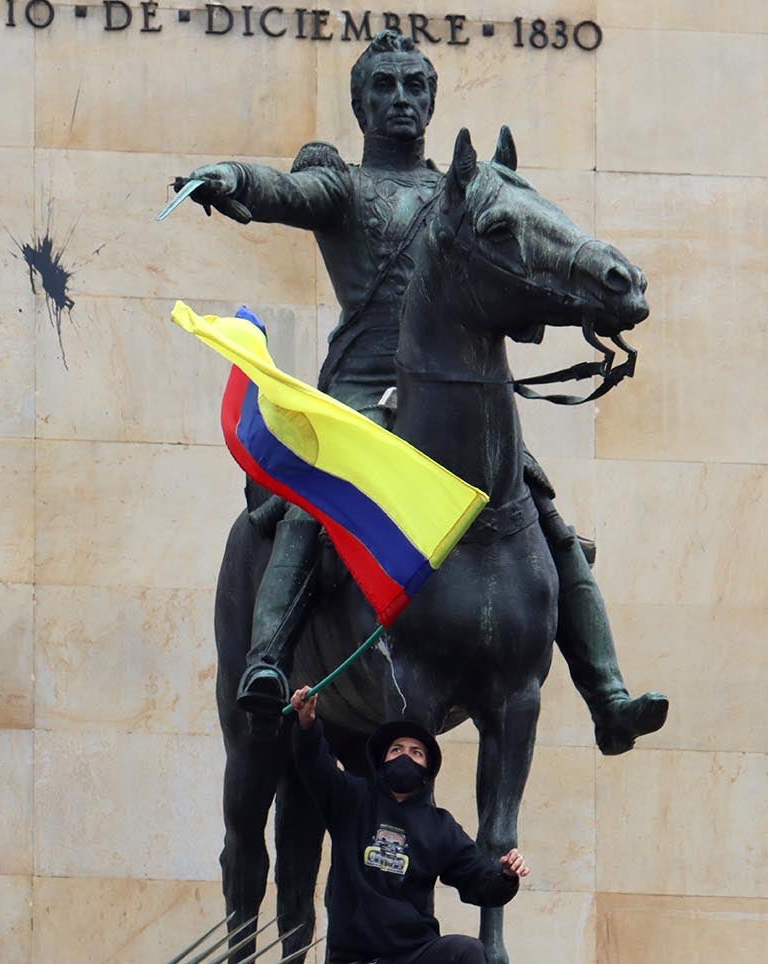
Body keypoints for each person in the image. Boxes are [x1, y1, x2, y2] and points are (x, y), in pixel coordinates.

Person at [186, 29, 666, 755]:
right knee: (310, 510)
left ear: (433, 101)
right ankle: (266, 662)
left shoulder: (465, 193)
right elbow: (285, 191)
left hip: (454, 401)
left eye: (415, 86)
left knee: (542, 518)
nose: (401, 99)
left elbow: (520, 265)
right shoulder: (343, 185)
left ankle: (606, 694)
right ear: (359, 105)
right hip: (359, 390)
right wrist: (228, 175)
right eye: (384, 87)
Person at [288, 686, 526, 964]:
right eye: (396, 749)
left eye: (416, 753)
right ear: (382, 761)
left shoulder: (440, 827)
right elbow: (316, 767)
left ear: (426, 770)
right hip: (353, 955)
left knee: (469, 952)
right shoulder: (351, 799)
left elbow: (479, 880)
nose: (405, 756)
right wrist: (307, 722)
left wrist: (506, 875)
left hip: (412, 953)